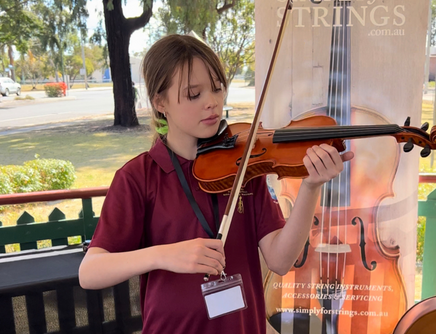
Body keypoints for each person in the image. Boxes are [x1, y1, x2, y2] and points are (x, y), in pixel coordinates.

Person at [78, 34, 354, 334]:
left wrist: (311, 186)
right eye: (194, 94)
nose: (212, 102)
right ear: (160, 102)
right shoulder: (139, 177)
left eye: (217, 88)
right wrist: (163, 254)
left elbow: (281, 260)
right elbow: (90, 272)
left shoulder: (244, 165)